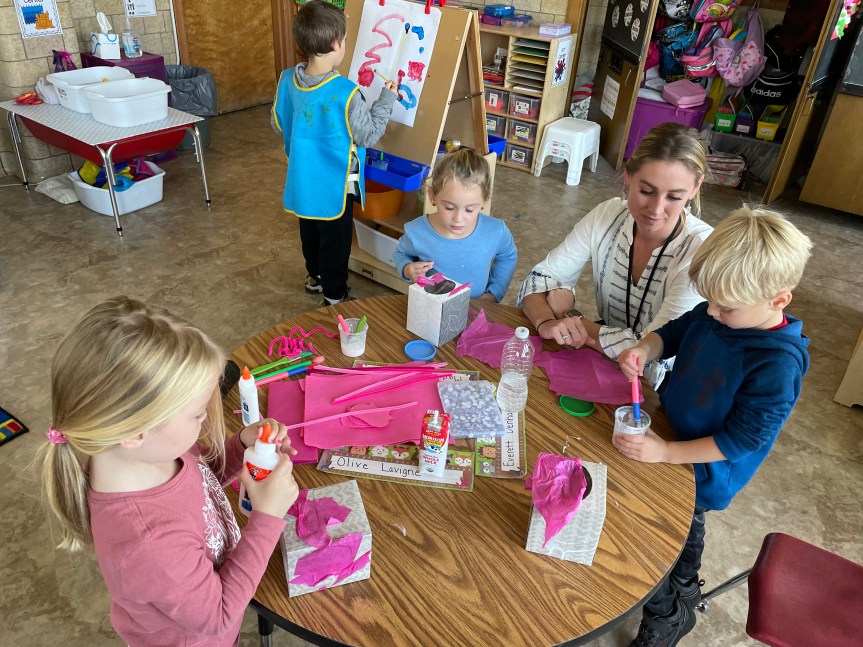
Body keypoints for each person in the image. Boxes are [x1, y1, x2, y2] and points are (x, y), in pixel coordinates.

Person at [39, 296, 300, 647]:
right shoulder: (149, 543)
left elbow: (202, 475)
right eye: (196, 414)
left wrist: (242, 445)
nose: (206, 419)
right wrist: (267, 518)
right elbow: (218, 615)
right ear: (136, 432)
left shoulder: (149, 452)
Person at [616, 207, 812, 647]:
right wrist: (645, 349)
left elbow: (741, 440)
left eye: (727, 307)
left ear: (779, 300)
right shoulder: (718, 310)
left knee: (664, 541)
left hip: (705, 467)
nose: (713, 312)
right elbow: (679, 330)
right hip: (669, 433)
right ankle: (686, 581)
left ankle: (667, 615)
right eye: (710, 300)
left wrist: (666, 452)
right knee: (675, 532)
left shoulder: (776, 364)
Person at [517, 122, 713, 388]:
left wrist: (570, 316)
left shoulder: (702, 251)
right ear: (628, 175)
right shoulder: (607, 215)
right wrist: (546, 322)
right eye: (646, 191)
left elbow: (650, 354)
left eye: (674, 197)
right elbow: (537, 280)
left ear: (695, 188)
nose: (656, 209)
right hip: (605, 359)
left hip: (669, 386)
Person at [273, 0, 398, 306]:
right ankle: (334, 294)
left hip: (302, 177)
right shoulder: (346, 92)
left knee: (310, 230)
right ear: (335, 44)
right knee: (336, 240)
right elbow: (367, 134)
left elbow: (278, 123)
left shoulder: (288, 79)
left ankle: (314, 276)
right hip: (337, 184)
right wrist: (387, 98)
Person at [393, 147, 518, 302]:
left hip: (477, 311)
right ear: (432, 196)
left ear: (484, 202)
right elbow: (400, 254)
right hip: (431, 309)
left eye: (470, 209)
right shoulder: (416, 231)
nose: (458, 219)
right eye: (449, 207)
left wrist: (494, 293)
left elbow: (508, 256)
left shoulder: (495, 231)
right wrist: (407, 269)